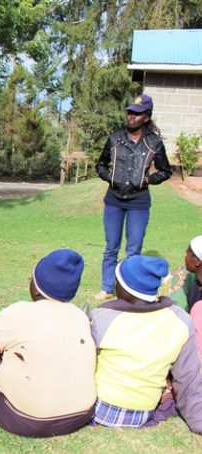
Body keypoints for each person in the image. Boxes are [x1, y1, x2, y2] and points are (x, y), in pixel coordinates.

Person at [0, 249, 96, 437]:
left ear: (36, 288)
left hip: (29, 420)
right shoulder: (80, 316)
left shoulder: (18, 313)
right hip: (81, 415)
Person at [90, 255, 202, 433]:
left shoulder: (102, 317)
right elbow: (189, 377)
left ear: (125, 289)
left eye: (118, 282)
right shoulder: (181, 320)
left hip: (100, 409)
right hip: (142, 413)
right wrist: (198, 421)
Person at [95, 94, 172, 300]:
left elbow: (166, 171)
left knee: (133, 250)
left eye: (137, 114)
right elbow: (100, 165)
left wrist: (148, 179)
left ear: (146, 117)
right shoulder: (114, 139)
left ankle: (129, 289)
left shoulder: (154, 142)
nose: (131, 116)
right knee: (111, 247)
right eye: (129, 112)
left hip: (139, 202)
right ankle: (106, 288)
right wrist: (110, 177)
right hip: (114, 199)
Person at [161, 235, 202, 311]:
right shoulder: (195, 288)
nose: (184, 256)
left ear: (197, 261)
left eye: (187, 254)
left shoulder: (195, 292)